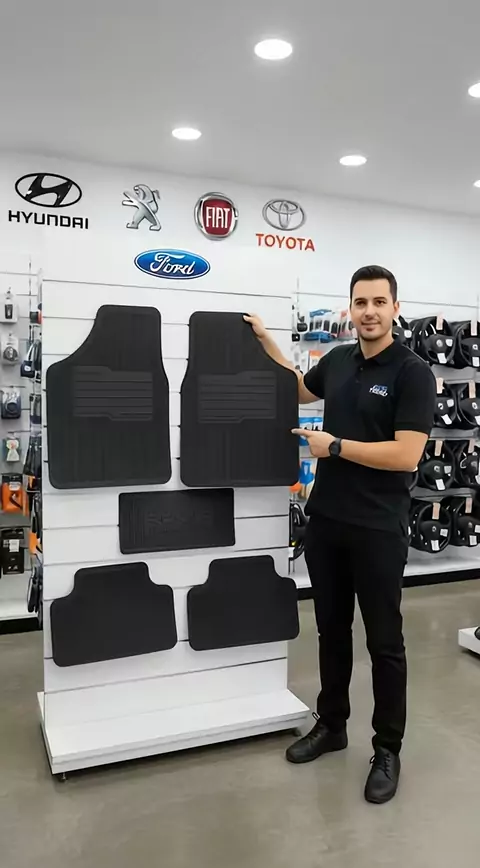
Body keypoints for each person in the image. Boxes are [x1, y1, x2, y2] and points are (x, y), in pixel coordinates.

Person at [245, 265, 435, 804]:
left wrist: (335, 447)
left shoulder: (413, 372)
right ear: (349, 309)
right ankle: (332, 725)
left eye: (378, 302)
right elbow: (298, 390)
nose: (369, 312)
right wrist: (266, 340)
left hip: (378, 527)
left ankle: (388, 749)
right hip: (328, 520)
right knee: (331, 631)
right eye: (360, 303)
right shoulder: (339, 360)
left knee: (384, 643)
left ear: (395, 308)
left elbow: (406, 455)